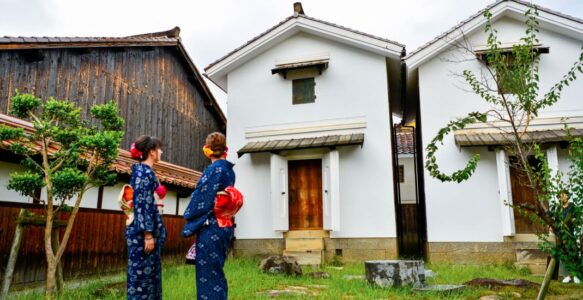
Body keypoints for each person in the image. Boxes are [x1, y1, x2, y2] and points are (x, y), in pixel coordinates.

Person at [183, 132, 235, 300]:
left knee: (208, 274)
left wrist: (189, 217)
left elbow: (201, 198)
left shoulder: (213, 169)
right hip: (225, 225)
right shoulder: (228, 170)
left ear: (208, 149)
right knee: (216, 271)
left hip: (211, 227)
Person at [126, 135, 167, 299]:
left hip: (144, 231)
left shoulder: (144, 172)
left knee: (148, 277)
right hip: (142, 235)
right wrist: (148, 234)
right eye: (159, 149)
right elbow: (142, 205)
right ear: (151, 152)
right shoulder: (143, 173)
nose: (161, 152)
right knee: (141, 279)